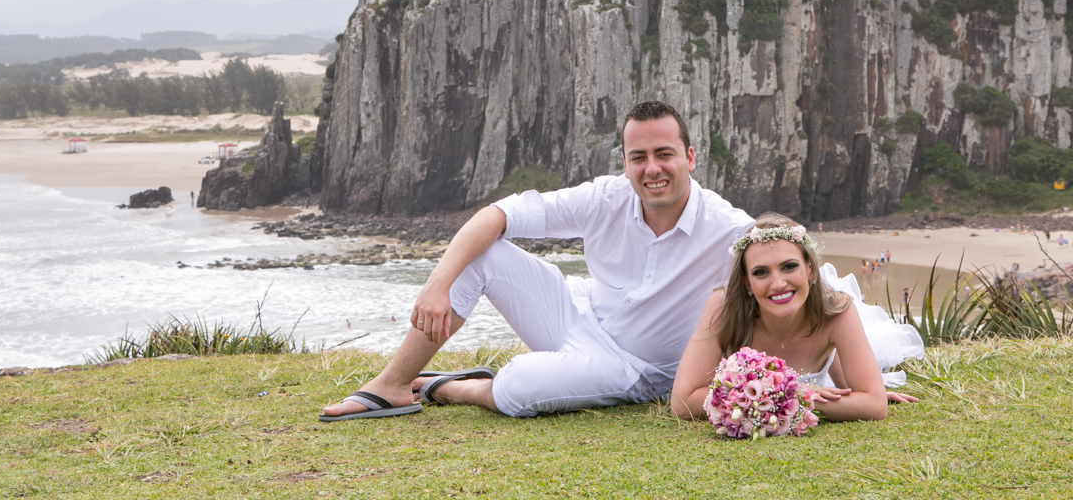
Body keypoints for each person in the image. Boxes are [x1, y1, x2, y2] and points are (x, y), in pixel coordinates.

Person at [319, 100, 753, 421]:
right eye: (638, 157)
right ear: (625, 164)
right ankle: (393, 384)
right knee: (482, 254)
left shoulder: (731, 231)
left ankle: (453, 388)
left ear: (689, 158)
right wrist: (438, 282)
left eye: (664, 154)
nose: (652, 168)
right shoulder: (605, 197)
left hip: (630, 369)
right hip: (575, 313)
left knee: (520, 386)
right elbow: (497, 214)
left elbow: (788, 279)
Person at [669, 213, 922, 422]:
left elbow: (874, 406)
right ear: (746, 281)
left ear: (810, 269)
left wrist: (858, 396)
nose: (778, 283)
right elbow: (682, 403)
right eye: (761, 272)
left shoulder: (836, 312)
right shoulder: (723, 308)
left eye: (789, 266)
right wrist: (794, 394)